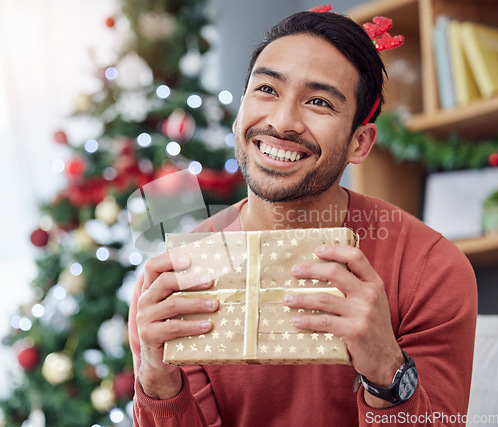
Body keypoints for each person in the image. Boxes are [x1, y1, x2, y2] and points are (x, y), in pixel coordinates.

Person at [128, 10, 477, 426]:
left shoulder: (430, 270)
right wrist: (157, 378)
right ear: (239, 115)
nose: (282, 122)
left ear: (359, 143)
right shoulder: (173, 282)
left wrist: (386, 368)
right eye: (267, 89)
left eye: (319, 102)